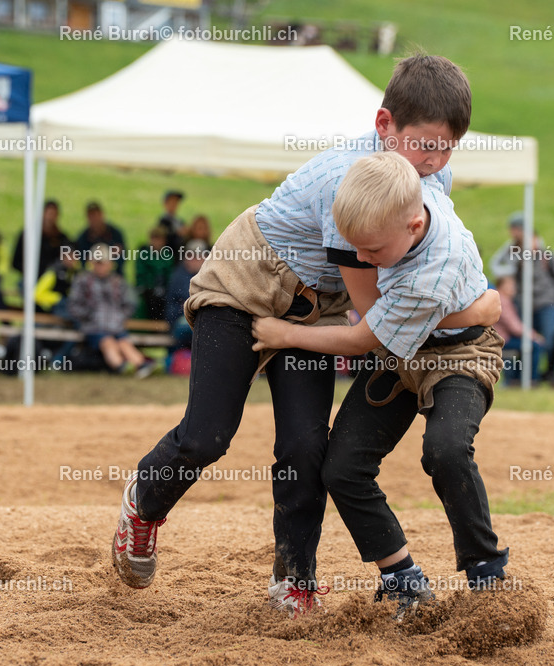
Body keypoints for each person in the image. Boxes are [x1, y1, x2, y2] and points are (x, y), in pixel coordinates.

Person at [111, 54, 499, 616]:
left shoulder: (426, 175)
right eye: (423, 145)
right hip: (247, 284)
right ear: (384, 125)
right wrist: (475, 310)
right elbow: (374, 317)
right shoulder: (349, 183)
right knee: (207, 436)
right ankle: (144, 505)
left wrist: (469, 300)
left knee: (306, 446)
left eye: (446, 148)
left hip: (318, 308)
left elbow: (411, 278)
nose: (434, 161)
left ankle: (295, 578)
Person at [252, 153, 506, 617]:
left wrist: (284, 335)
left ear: (413, 226)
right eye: (355, 248)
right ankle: (402, 580)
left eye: (371, 250)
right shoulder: (418, 190)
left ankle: (487, 573)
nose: (362, 260)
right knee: (342, 468)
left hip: (460, 354)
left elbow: (360, 339)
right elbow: (429, 163)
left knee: (446, 449)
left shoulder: (435, 270)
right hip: (400, 351)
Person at [67, 244, 154, 378]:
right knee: (107, 342)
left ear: (110, 264)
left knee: (124, 343)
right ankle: (121, 366)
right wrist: (88, 315)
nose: (100, 267)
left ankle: (141, 365)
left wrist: (120, 316)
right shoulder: (83, 281)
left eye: (103, 263)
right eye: (98, 263)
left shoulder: (118, 282)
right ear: (91, 263)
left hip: (116, 327)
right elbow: (73, 305)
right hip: (93, 328)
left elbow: (130, 304)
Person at [487, 211, 554, 354]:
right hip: (524, 303)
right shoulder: (513, 249)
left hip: (546, 301)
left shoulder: (545, 253)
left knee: (549, 338)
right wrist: (510, 269)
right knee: (527, 340)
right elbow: (496, 264)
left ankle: (548, 366)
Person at [492, 275, 544, 381]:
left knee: (527, 345)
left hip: (502, 338)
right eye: (510, 285)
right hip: (502, 340)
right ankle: (530, 379)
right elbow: (514, 326)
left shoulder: (503, 299)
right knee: (534, 346)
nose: (513, 288)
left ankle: (517, 379)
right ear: (501, 286)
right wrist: (534, 335)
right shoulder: (502, 300)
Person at [12, 199, 71, 282]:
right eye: (49, 214)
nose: (50, 218)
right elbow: (16, 262)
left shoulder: (62, 238)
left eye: (54, 214)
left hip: (53, 280)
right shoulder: (28, 235)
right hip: (31, 278)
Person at [164, 239, 208, 350]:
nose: (196, 260)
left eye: (199, 257)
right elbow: (174, 308)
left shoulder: (209, 276)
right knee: (196, 329)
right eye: (192, 256)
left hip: (202, 319)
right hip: (181, 320)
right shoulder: (178, 276)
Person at [134, 227, 175, 321]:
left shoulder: (167, 255)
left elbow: (169, 276)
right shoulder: (144, 254)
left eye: (159, 239)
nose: (156, 242)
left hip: (163, 290)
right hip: (147, 290)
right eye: (154, 239)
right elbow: (140, 275)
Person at [75, 201, 126, 275]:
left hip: (113, 275)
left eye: (96, 215)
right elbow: (80, 262)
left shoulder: (115, 235)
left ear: (102, 215)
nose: (94, 219)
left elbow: (123, 258)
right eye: (91, 216)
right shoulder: (83, 238)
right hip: (91, 277)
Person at [33, 242, 79, 318]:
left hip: (68, 305)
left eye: (76, 257)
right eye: (71, 256)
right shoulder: (53, 272)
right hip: (53, 308)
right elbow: (37, 294)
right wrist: (57, 298)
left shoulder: (74, 272)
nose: (73, 260)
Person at [158, 189, 186, 259]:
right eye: (171, 202)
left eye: (176, 202)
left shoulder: (180, 221)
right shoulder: (163, 221)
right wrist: (177, 233)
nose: (174, 204)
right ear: (165, 203)